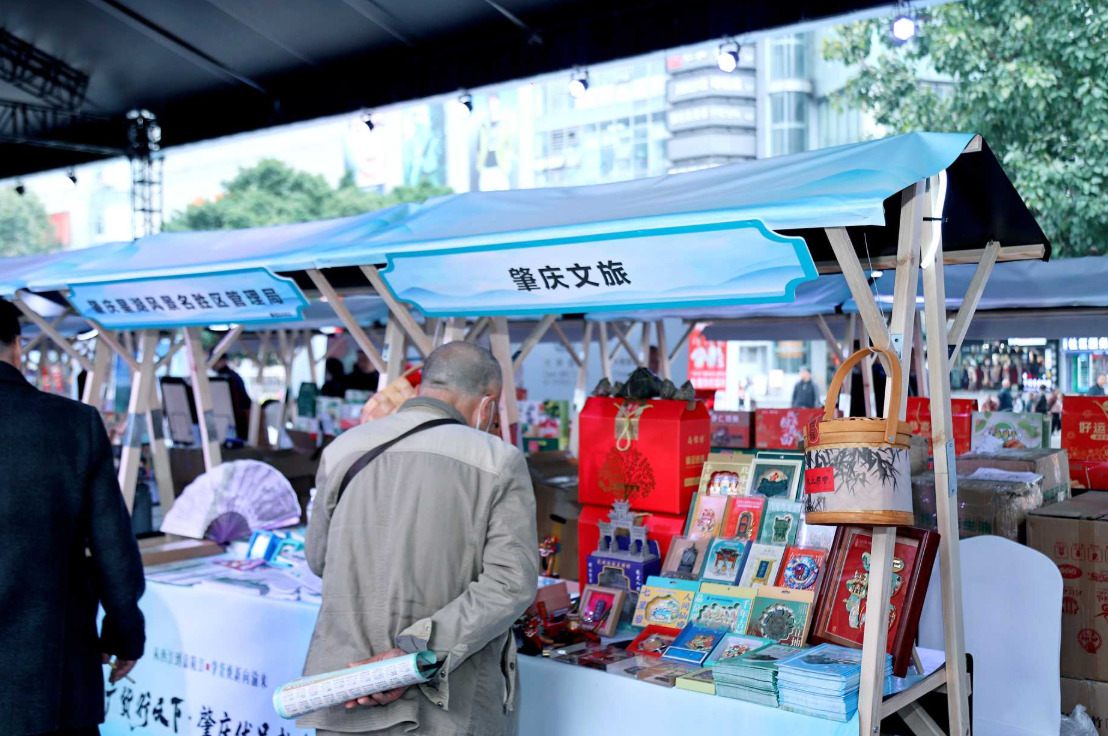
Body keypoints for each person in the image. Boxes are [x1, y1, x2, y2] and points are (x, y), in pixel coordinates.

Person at [301, 342, 539, 736]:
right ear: (487, 406)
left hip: (346, 686)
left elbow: (318, 559)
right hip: (444, 699)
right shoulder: (497, 460)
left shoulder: (343, 448)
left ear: (423, 387)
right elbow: (511, 583)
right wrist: (409, 656)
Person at [0, 299, 145, 736]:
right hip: (50, 677)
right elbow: (112, 549)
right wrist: (124, 634)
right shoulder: (72, 424)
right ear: (17, 346)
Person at [212, 353, 252, 440]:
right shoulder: (230, 376)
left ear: (223, 361)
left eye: (215, 361)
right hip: (237, 420)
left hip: (237, 421)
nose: (213, 364)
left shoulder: (228, 378)